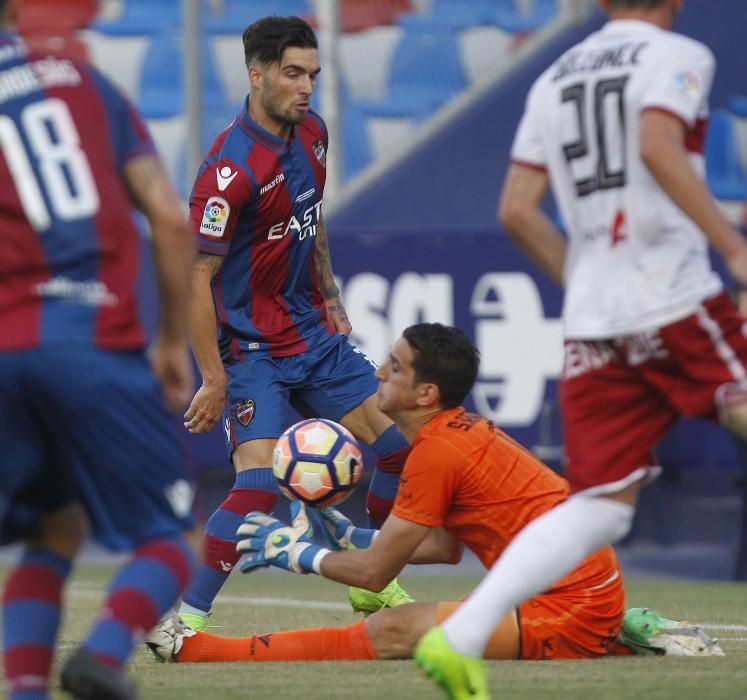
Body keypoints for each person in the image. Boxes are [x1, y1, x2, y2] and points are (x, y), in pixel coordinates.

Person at [412, 0, 747, 697]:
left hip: (595, 314)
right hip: (672, 288)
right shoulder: (677, 56)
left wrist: (594, 290)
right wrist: (732, 245)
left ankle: (463, 635)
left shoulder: (552, 74)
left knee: (603, 503)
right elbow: (656, 144)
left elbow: (515, 207)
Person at [146, 323, 720, 691]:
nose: (376, 374)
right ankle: (619, 631)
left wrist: (296, 554)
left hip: (567, 606)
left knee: (393, 631)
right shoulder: (453, 434)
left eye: (393, 368)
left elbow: (376, 576)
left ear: (425, 394)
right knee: (414, 622)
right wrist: (349, 540)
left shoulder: (436, 452)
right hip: (577, 585)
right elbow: (445, 547)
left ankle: (200, 650)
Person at [179, 14, 412, 631]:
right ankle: (187, 622)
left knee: (399, 450)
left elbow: (311, 216)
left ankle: (373, 585)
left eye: (312, 73)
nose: (306, 86)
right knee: (257, 485)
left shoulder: (313, 131)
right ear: (256, 75)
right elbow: (194, 277)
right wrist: (213, 377)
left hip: (313, 334)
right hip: (253, 352)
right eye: (291, 74)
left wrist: (330, 293)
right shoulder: (226, 173)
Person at [0, 0, 200, 698]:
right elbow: (172, 222)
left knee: (54, 529)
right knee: (169, 540)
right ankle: (104, 654)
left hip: (5, 348)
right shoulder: (88, 85)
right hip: (91, 342)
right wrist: (172, 340)